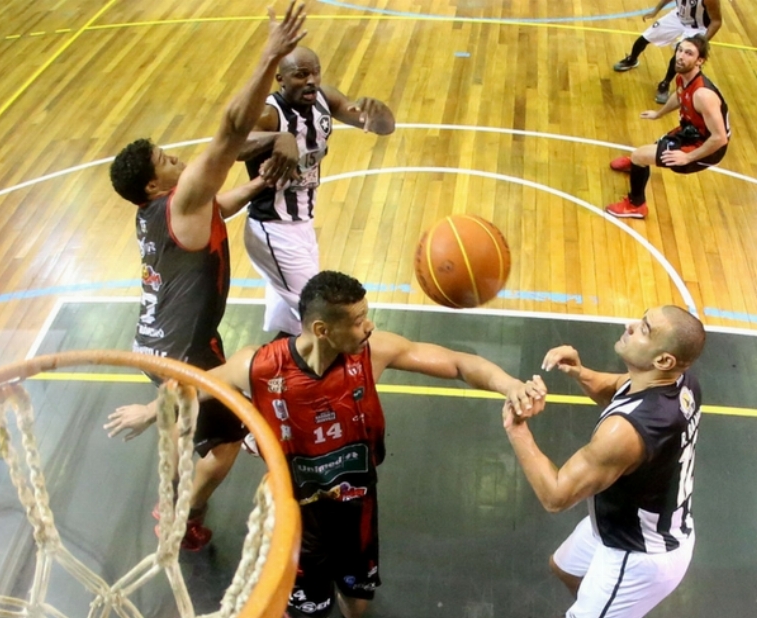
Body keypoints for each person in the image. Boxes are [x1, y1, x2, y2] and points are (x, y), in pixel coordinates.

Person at [108, 271, 547, 617]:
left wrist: (509, 384)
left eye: (366, 315)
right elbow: (198, 385)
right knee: (307, 608)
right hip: (298, 515)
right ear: (322, 329)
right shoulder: (259, 366)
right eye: (357, 321)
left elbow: (457, 362)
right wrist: (149, 411)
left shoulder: (372, 352)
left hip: (356, 504)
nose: (368, 326)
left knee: (357, 602)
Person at [106, 1, 308, 551]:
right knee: (224, 447)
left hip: (158, 340)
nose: (177, 160)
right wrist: (270, 56)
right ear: (154, 186)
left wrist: (260, 183)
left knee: (202, 418)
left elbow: (218, 206)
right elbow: (230, 129)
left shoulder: (159, 212)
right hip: (183, 354)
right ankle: (179, 518)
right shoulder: (181, 198)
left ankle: (179, 435)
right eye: (167, 160)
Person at [502, 306, 706, 618]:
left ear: (663, 361)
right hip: (623, 524)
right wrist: (579, 372)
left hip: (637, 554)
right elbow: (617, 389)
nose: (630, 325)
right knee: (564, 568)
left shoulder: (624, 432)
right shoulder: (681, 383)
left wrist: (517, 430)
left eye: (644, 329)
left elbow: (555, 496)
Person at [237, 47, 395, 337]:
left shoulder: (325, 98)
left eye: (315, 72)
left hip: (303, 223)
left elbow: (384, 128)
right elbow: (234, 146)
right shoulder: (269, 113)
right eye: (301, 75)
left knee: (293, 327)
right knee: (323, 315)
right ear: (280, 79)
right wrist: (278, 138)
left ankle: (272, 365)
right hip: (273, 228)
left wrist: (379, 112)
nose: (311, 81)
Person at [606, 35, 729, 219]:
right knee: (654, 147)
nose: (681, 56)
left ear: (700, 61)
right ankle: (637, 166)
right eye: (680, 50)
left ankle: (636, 205)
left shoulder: (703, 95)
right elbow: (679, 95)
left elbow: (720, 138)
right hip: (692, 131)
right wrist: (659, 114)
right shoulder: (683, 77)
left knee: (639, 155)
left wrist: (687, 157)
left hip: (707, 147)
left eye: (689, 53)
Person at [613, 0, 723, 104]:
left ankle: (665, 83)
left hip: (697, 28)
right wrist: (656, 10)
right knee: (644, 38)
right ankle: (632, 59)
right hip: (678, 18)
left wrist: (703, 41)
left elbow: (716, 21)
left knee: (679, 55)